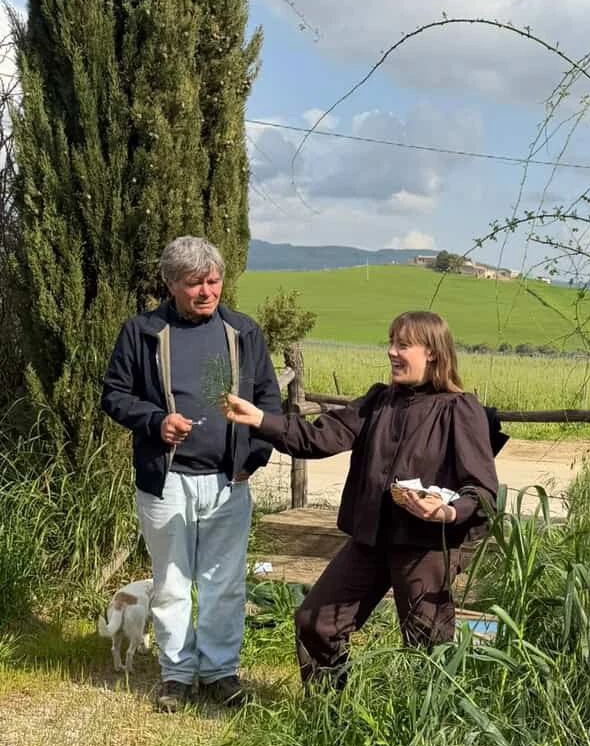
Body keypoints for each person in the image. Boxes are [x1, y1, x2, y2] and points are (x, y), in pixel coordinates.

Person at [221, 309, 499, 690]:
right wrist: (260, 420)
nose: (391, 352)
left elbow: (482, 490)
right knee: (316, 623)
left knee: (428, 648)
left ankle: (428, 724)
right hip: (371, 541)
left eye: (403, 345)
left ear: (432, 352)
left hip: (427, 549)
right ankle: (329, 712)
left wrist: (448, 512)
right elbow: (319, 437)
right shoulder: (378, 401)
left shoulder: (458, 409)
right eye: (391, 342)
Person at [101, 236, 282, 711]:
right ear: (171, 284)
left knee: (226, 582)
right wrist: (156, 422)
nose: (207, 291)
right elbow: (115, 395)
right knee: (171, 582)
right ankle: (178, 675)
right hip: (165, 481)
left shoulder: (243, 332)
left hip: (228, 480)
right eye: (194, 283)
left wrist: (253, 460)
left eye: (214, 280)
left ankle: (220, 671)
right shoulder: (142, 332)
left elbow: (268, 400)